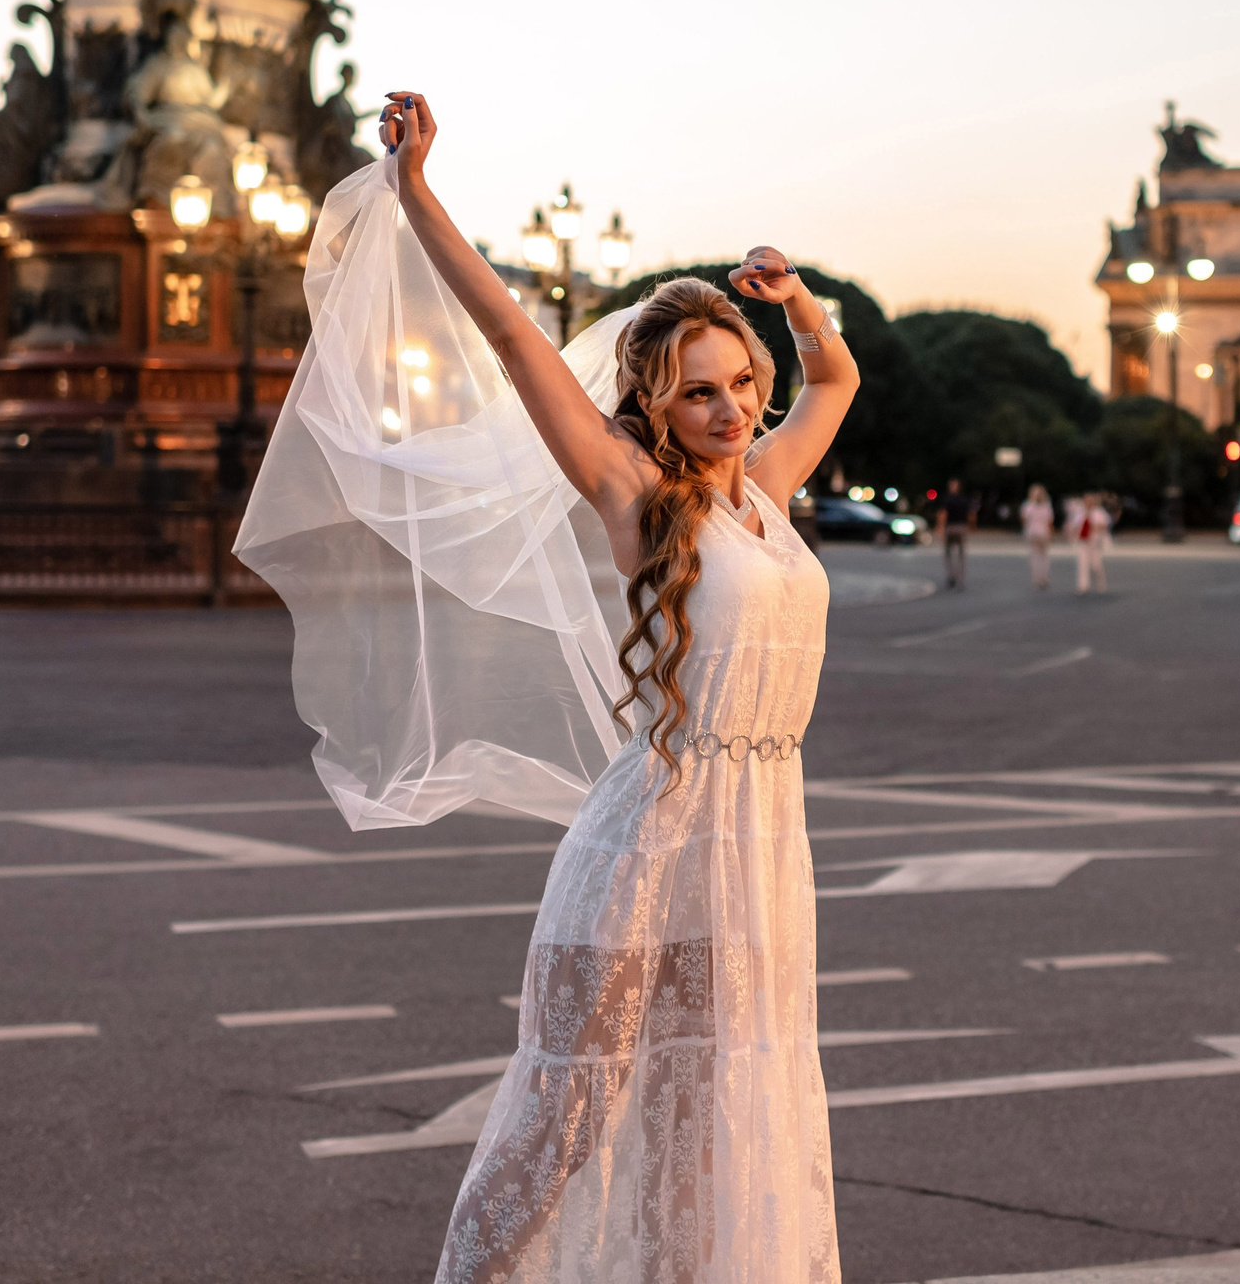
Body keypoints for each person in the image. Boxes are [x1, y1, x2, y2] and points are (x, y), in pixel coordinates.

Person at [325, 92, 859, 1280]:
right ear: (653, 406)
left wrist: (797, 300)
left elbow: (835, 383)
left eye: (738, 382)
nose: (730, 410)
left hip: (762, 849)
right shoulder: (634, 494)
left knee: (720, 1106)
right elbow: (518, 344)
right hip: (650, 843)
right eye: (698, 393)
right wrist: (418, 195)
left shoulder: (762, 486)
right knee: (567, 1114)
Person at [935, 478, 973, 591]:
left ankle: (951, 575)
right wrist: (971, 527)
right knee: (960, 554)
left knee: (948, 553)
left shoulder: (947, 499)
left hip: (950, 527)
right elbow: (971, 514)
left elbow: (943, 514)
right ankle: (960, 580)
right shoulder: (964, 499)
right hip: (961, 527)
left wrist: (940, 528)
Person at [1076, 490, 1114, 593]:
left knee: (1096, 564)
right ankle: (1083, 586)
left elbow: (1105, 525)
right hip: (1084, 541)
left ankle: (1101, 584)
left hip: (1095, 541)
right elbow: (1075, 526)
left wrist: (1096, 527)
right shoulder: (1080, 512)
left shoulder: (1100, 513)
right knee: (1083, 563)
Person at [1019, 483, 1055, 589]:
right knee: (1044, 556)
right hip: (1043, 532)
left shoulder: (1027, 506)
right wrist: (1051, 534)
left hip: (1032, 532)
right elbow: (1050, 522)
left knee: (1035, 556)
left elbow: (1024, 519)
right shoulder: (1046, 506)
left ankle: (1036, 578)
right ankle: (1044, 578)